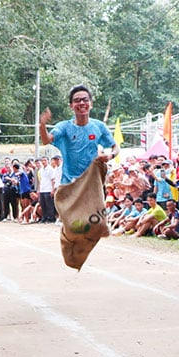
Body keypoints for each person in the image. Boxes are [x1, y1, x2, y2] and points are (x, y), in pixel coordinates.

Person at [39, 85, 118, 268]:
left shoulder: (99, 126)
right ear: (71, 106)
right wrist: (42, 125)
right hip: (69, 184)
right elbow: (47, 140)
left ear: (90, 103)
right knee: (75, 226)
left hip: (91, 183)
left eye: (84, 99)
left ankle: (79, 251)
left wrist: (110, 155)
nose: (81, 103)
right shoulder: (64, 127)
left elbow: (115, 147)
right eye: (77, 100)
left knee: (99, 226)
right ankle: (68, 245)